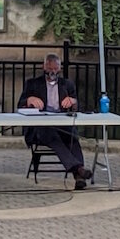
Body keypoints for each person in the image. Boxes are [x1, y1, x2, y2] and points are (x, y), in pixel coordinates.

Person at [17, 53, 93, 190]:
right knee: (50, 134)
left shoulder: (67, 84)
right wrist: (29, 100)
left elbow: (78, 107)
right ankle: (79, 170)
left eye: (55, 68)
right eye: (49, 68)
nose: (51, 72)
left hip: (61, 123)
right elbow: (20, 104)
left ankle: (79, 176)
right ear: (43, 67)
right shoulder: (32, 84)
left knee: (71, 136)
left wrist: (73, 102)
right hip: (40, 127)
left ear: (59, 69)